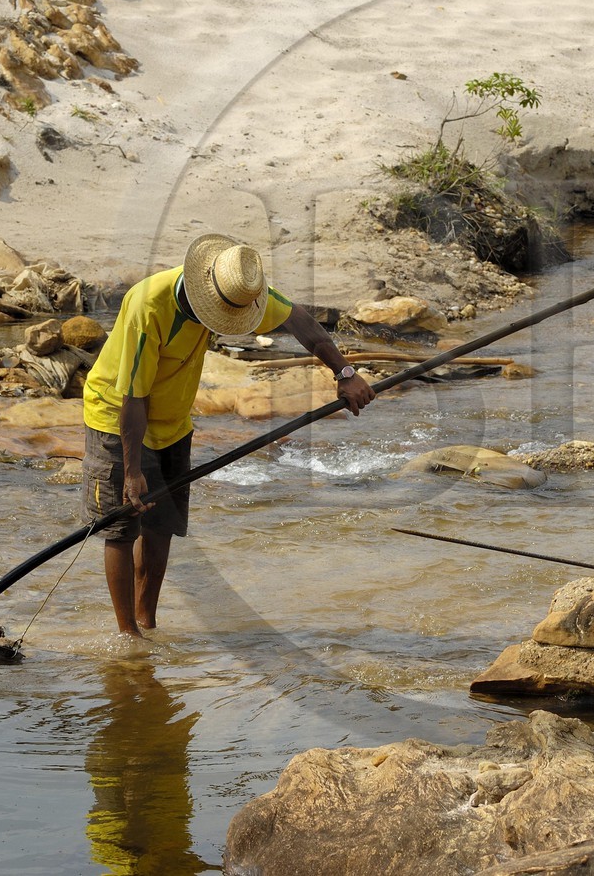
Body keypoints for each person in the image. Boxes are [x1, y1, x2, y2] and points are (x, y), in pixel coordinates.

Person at [81, 233, 376, 636]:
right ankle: (127, 636)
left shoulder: (240, 287)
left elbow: (300, 321)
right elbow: (134, 397)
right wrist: (132, 471)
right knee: (122, 526)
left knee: (161, 523)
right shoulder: (148, 305)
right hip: (117, 416)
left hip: (173, 420)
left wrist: (343, 371)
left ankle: (147, 622)